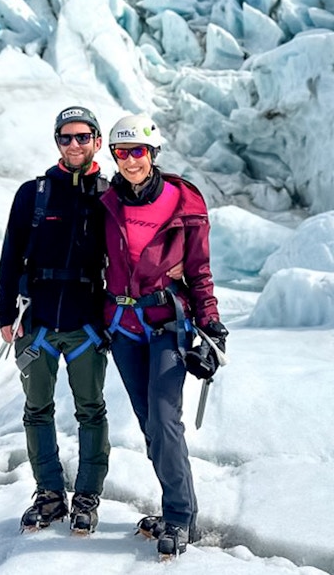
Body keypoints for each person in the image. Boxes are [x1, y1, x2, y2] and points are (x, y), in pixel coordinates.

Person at [100, 114, 228, 559]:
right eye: (122, 152)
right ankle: (181, 511)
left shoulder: (183, 201)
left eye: (138, 151)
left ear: (153, 153)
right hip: (122, 328)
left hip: (167, 325)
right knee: (149, 424)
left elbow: (199, 270)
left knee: (164, 418)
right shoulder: (108, 201)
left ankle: (178, 517)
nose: (131, 160)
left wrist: (211, 325)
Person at [0, 106, 110, 535]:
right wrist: (5, 312)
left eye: (83, 136)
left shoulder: (109, 196)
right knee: (36, 410)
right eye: (66, 137)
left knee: (91, 411)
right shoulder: (33, 193)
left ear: (97, 141)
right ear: (57, 142)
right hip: (36, 324)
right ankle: (49, 495)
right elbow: (10, 254)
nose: (74, 144)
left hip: (86, 326)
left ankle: (86, 497)